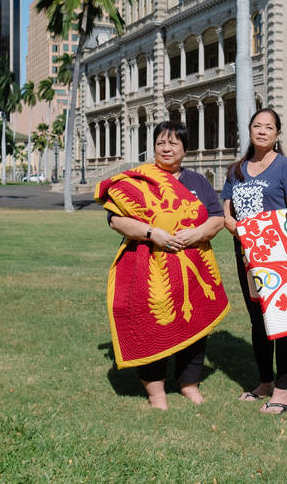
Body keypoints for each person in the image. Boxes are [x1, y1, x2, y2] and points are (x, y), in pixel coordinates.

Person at [97, 121, 228, 410]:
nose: (166, 148)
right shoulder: (139, 180)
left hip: (193, 267)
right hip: (148, 266)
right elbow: (115, 220)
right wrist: (151, 233)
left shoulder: (198, 182)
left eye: (173, 143)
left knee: (195, 323)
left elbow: (217, 218)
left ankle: (189, 384)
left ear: (185, 149)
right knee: (150, 324)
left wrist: (195, 234)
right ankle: (156, 392)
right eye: (160, 143)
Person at [221, 108, 287, 414]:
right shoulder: (237, 170)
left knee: (282, 320)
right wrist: (239, 230)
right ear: (249, 130)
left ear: (277, 134)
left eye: (268, 127)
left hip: (277, 251)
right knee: (257, 320)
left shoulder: (286, 166)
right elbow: (227, 211)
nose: (262, 131)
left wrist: (257, 229)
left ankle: (282, 392)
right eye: (257, 125)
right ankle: (265, 383)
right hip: (245, 253)